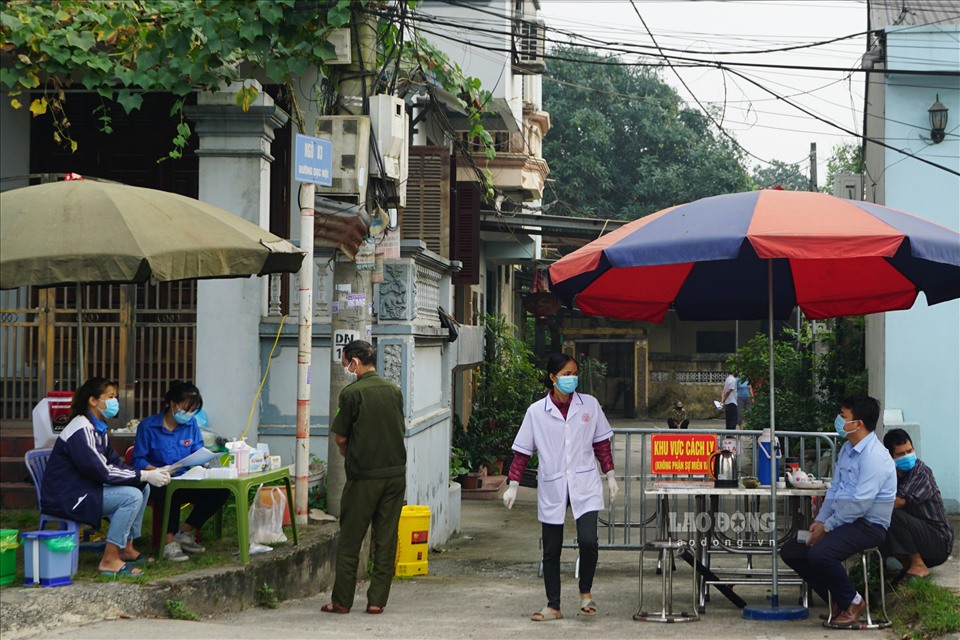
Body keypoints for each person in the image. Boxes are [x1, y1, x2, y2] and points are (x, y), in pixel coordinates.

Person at [502, 353, 619, 622]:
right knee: (551, 550)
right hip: (553, 484)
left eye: (574, 373)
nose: (572, 379)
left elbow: (601, 444)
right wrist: (513, 483)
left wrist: (610, 475)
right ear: (553, 378)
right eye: (566, 374)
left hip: (585, 482)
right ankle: (553, 605)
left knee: (589, 541)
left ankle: (585, 593)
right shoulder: (536, 412)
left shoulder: (589, 405)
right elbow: (521, 453)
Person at [780, 395, 896, 627]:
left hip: (869, 526)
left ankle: (853, 602)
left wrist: (828, 526)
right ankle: (837, 600)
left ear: (858, 424)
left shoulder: (874, 457)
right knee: (792, 550)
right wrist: (820, 519)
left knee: (820, 553)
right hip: (843, 522)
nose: (839, 421)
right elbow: (835, 490)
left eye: (843, 417)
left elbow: (860, 504)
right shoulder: (847, 449)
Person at [40, 377, 171, 576]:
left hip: (86, 488)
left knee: (141, 488)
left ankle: (126, 547)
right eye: (110, 397)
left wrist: (144, 477)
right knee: (131, 496)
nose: (114, 402)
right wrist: (144, 474)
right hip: (69, 496)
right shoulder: (81, 430)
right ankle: (109, 560)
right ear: (93, 401)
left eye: (115, 397)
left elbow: (114, 463)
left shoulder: (98, 427)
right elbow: (102, 471)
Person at [321, 340, 406, 615]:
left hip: (364, 475)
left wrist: (347, 451)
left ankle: (342, 601)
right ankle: (377, 601)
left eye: (346, 362)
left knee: (351, 539)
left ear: (355, 362)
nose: (346, 367)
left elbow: (341, 436)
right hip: (394, 474)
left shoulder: (351, 394)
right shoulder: (393, 390)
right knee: (386, 538)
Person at [132, 381, 229, 562]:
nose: (189, 414)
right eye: (186, 409)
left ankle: (184, 532)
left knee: (221, 491)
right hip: (155, 480)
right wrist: (157, 471)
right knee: (170, 491)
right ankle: (168, 543)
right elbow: (137, 460)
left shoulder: (190, 425)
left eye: (193, 410)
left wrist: (202, 463)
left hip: (184, 477)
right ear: (172, 404)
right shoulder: (148, 426)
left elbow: (198, 452)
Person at [880, 429, 954, 584]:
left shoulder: (921, 472)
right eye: (901, 454)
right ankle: (908, 565)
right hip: (918, 537)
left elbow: (897, 502)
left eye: (910, 451)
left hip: (938, 541)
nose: (907, 456)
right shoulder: (889, 473)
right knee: (877, 522)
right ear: (890, 456)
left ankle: (918, 565)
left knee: (889, 512)